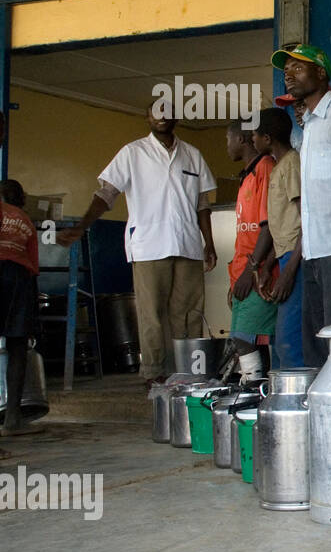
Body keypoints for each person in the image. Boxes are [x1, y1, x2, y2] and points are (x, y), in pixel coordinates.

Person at [58, 111, 217, 384]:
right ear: (148, 117)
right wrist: (82, 226)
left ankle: (190, 372)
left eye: (169, 110)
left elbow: (203, 205)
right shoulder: (132, 152)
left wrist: (209, 243)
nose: (163, 116)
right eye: (157, 110)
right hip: (148, 245)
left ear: (177, 117)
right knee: (151, 313)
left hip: (188, 244)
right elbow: (106, 194)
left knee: (189, 313)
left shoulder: (192, 154)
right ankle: (154, 372)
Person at [270, 43, 331, 367]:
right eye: (286, 70)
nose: (289, 75)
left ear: (320, 73)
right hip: (313, 253)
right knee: (315, 346)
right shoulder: (308, 128)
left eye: (297, 68)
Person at [224, 119, 277, 381]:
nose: (227, 147)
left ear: (242, 140)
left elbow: (269, 227)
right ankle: (254, 388)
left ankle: (255, 388)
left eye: (228, 140)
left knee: (246, 337)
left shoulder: (265, 168)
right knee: (242, 338)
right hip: (242, 271)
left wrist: (251, 270)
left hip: (256, 273)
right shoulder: (247, 175)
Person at [252, 107, 304, 368]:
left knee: (289, 339)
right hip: (284, 259)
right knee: (282, 338)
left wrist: (289, 272)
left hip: (297, 261)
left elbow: (304, 220)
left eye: (255, 135)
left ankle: (298, 401)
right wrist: (269, 264)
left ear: (268, 138)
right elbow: (282, 225)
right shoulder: (280, 166)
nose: (252, 139)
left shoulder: (291, 164)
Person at [0, 179, 43, 442]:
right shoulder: (26, 221)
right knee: (17, 346)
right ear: (22, 199)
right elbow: (33, 265)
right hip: (18, 278)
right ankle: (13, 418)